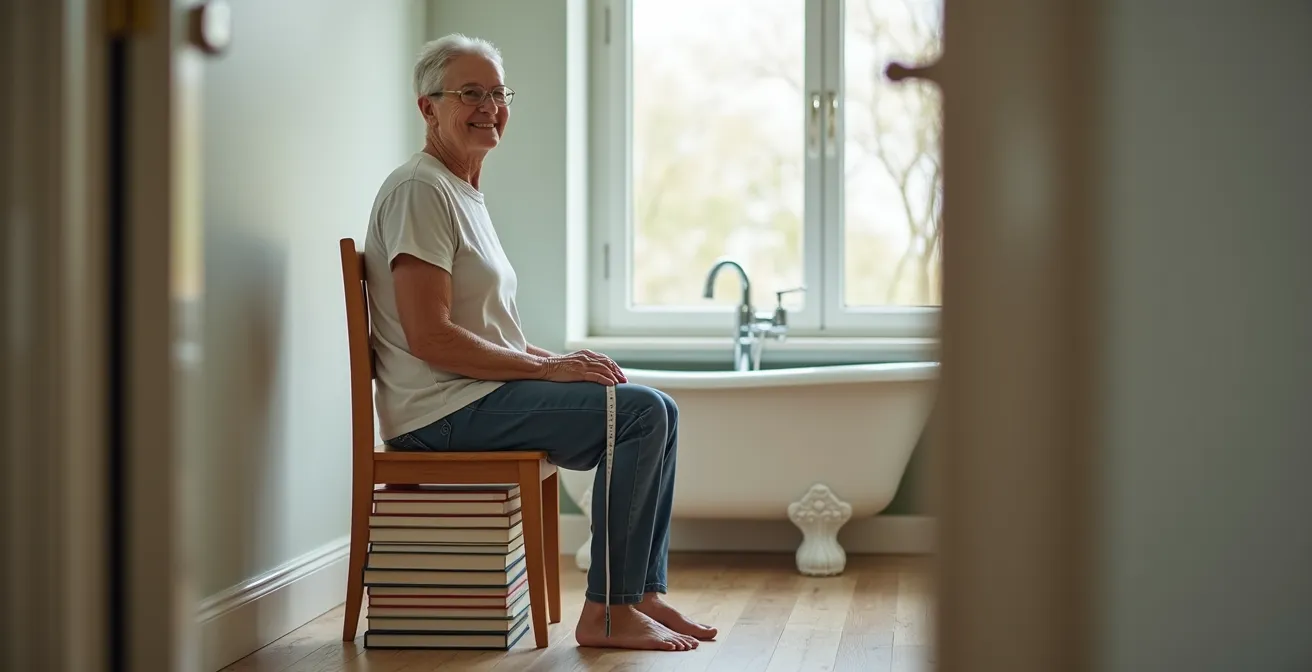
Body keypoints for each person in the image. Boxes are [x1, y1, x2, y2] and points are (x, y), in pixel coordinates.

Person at [361, 34, 717, 652]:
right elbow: (431, 337)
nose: (489, 107)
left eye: (499, 94)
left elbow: (480, 331)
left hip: (472, 397)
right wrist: (548, 368)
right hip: (440, 410)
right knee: (637, 414)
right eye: (470, 93)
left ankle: (640, 593)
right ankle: (606, 612)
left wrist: (550, 364)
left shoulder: (460, 191)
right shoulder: (421, 189)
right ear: (428, 107)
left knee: (656, 407)